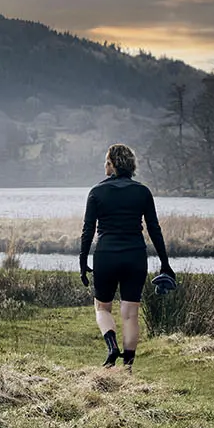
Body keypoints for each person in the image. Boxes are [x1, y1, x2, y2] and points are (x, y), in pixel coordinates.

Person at [80, 144, 172, 368]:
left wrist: (83, 261)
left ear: (111, 164)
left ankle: (112, 347)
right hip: (135, 256)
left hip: (106, 255)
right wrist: (165, 263)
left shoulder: (96, 192)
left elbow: (88, 230)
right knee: (130, 314)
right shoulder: (142, 192)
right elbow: (154, 229)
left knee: (102, 308)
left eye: (106, 162)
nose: (105, 165)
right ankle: (127, 368)